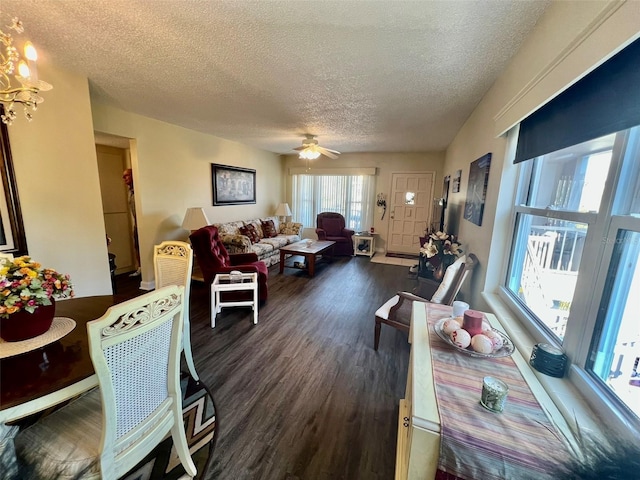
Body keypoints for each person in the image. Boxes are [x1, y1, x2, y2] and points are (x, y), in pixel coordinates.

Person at [122, 168, 141, 276]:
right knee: (137, 246)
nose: (124, 178)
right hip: (136, 224)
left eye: (126, 176)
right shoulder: (130, 191)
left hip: (142, 224)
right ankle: (140, 268)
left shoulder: (139, 190)